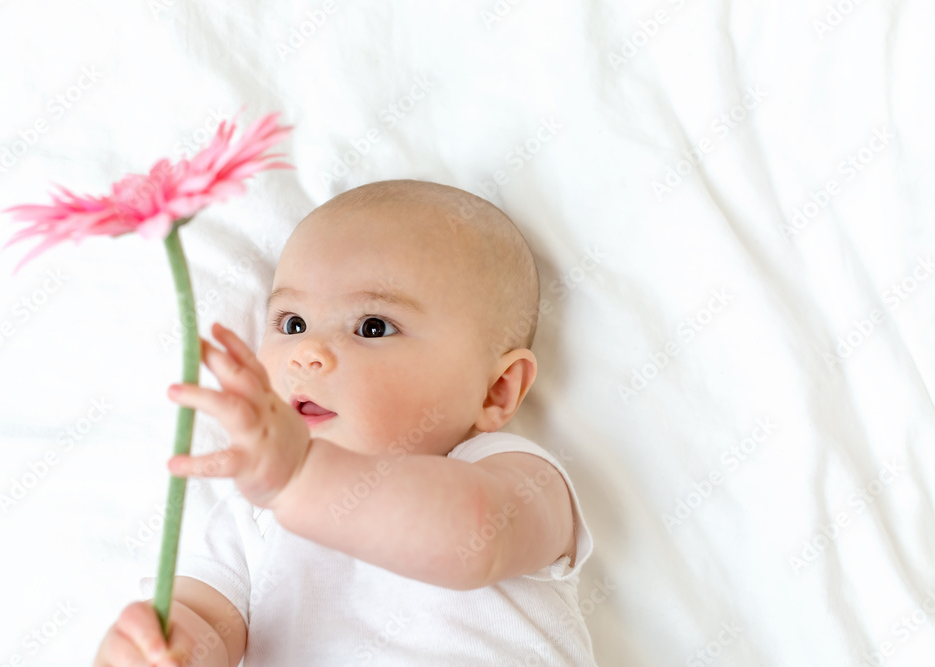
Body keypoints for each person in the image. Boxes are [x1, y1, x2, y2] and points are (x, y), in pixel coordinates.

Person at [93, 179, 596, 666]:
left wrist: (301, 479)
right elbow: (204, 618)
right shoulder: (250, 518)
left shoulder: (510, 472)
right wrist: (163, 648)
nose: (307, 353)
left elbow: (475, 538)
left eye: (372, 327)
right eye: (293, 323)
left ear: (497, 389)